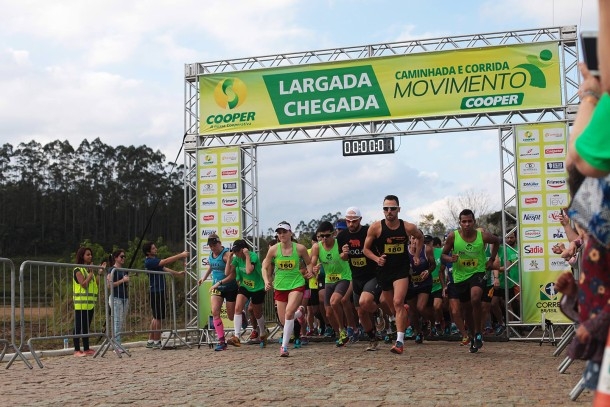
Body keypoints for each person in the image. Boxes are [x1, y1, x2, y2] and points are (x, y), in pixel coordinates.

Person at [363, 195, 424, 354]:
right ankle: (402, 314)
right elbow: (365, 250)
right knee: (391, 307)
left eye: (392, 208)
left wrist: (416, 255)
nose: (389, 212)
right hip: (384, 271)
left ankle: (399, 342)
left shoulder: (407, 227)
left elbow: (420, 237)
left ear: (399, 209)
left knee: (397, 302)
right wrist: (377, 259)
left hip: (401, 269)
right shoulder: (376, 228)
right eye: (386, 208)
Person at [441, 209, 499, 353]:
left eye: (469, 221)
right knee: (466, 309)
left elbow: (496, 241)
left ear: (474, 222)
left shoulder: (482, 235)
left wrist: (491, 259)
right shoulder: (453, 237)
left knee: (476, 297)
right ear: (459, 223)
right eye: (464, 222)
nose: (467, 224)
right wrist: (450, 258)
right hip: (460, 276)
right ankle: (473, 336)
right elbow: (443, 256)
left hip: (478, 272)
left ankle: (479, 332)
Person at [262, 221, 313, 357]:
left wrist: (310, 272)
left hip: (296, 284)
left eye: (284, 232)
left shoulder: (300, 248)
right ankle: (300, 313)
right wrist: (267, 281)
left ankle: (284, 347)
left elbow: (309, 263)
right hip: (280, 286)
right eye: (279, 232)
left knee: (289, 312)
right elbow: (264, 266)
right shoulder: (273, 249)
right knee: (285, 320)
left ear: (290, 233)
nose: (282, 235)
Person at [337, 206, 383, 351]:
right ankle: (372, 338)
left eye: (354, 221)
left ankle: (377, 312)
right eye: (348, 221)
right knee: (361, 313)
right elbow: (343, 258)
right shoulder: (342, 236)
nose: (351, 224)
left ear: (360, 220)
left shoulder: (368, 232)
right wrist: (344, 254)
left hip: (372, 274)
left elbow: (377, 249)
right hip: (356, 277)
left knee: (365, 301)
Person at [311, 221, 353, 347]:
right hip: (329, 280)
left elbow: (345, 257)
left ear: (333, 234)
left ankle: (346, 329)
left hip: (343, 277)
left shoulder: (339, 243)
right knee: (328, 313)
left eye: (327, 236)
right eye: (321, 236)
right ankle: (340, 332)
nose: (324, 239)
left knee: (335, 302)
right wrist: (314, 268)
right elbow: (312, 262)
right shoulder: (317, 247)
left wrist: (345, 254)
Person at [143, 242, 188, 349]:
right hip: (156, 291)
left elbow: (164, 268)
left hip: (158, 290)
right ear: (148, 252)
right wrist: (180, 255)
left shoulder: (154, 261)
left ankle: (151, 340)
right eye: (153, 248)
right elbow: (166, 261)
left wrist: (177, 273)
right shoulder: (150, 261)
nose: (156, 249)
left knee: (155, 317)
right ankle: (157, 341)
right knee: (158, 317)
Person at [226, 239, 269, 347]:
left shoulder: (253, 256)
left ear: (243, 249)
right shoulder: (236, 259)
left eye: (237, 251)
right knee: (237, 308)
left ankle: (263, 332)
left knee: (257, 312)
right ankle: (237, 336)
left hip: (258, 287)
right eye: (234, 251)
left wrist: (247, 256)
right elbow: (227, 272)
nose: (235, 253)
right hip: (245, 286)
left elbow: (249, 270)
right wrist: (229, 259)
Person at [197, 233, 236, 351]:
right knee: (215, 311)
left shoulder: (226, 255)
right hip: (217, 288)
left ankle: (241, 315)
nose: (212, 248)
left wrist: (221, 282)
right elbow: (211, 266)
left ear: (219, 243)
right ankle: (222, 341)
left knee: (231, 316)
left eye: (214, 245)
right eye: (210, 246)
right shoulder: (211, 254)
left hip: (230, 288)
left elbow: (232, 274)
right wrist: (203, 278)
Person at [72, 247, 106, 357]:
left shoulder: (88, 270)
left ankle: (86, 348)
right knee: (78, 327)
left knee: (86, 326)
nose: (90, 256)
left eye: (91, 254)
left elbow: (94, 283)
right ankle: (77, 350)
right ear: (82, 256)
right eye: (88, 254)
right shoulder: (78, 270)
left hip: (90, 303)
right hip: (80, 303)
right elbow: (84, 284)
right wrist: (91, 273)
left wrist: (99, 273)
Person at [406, 232, 436, 344]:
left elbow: (433, 265)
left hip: (424, 282)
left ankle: (430, 322)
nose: (415, 241)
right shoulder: (405, 251)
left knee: (421, 307)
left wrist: (428, 271)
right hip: (410, 283)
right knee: (412, 310)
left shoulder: (426, 249)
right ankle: (418, 332)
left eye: (418, 238)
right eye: (413, 238)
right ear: (409, 239)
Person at [107, 249, 129, 352]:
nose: (123, 258)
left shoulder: (124, 270)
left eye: (124, 256)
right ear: (116, 258)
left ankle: (119, 343)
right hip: (116, 297)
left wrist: (126, 281)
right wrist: (122, 280)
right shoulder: (112, 269)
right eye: (121, 256)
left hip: (124, 297)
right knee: (116, 321)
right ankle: (117, 344)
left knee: (121, 322)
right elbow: (109, 284)